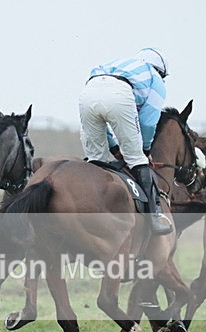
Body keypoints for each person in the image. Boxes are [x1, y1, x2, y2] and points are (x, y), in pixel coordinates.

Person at [79, 47, 172, 235]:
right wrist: (144, 150)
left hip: (88, 91)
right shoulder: (155, 79)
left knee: (97, 160)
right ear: (161, 71)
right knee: (137, 159)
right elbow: (147, 123)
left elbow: (102, 109)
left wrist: (113, 147)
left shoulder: (119, 64)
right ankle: (155, 218)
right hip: (119, 93)